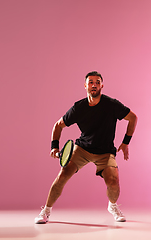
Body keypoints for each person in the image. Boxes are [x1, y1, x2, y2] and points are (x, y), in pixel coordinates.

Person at [35, 71, 137, 223]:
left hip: (105, 151)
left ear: (102, 85)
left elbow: (133, 118)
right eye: (90, 82)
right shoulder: (79, 107)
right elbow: (58, 125)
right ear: (85, 86)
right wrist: (54, 147)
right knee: (62, 175)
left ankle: (112, 206)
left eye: (97, 82)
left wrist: (126, 142)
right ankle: (46, 211)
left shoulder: (112, 105)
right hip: (82, 149)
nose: (94, 85)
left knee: (113, 181)